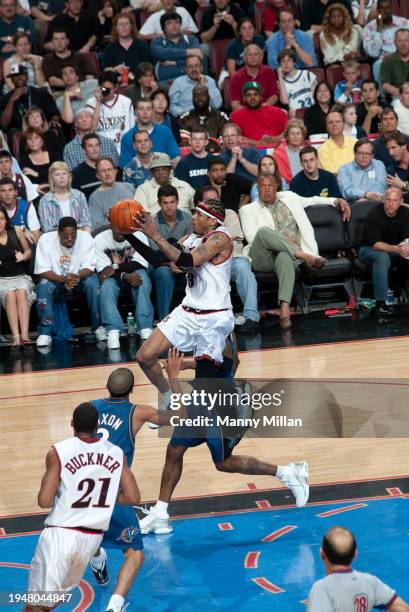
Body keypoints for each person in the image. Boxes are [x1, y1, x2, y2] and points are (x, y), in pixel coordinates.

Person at [138, 347, 309, 535]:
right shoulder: (219, 336)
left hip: (219, 410)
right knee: (175, 449)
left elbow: (181, 412)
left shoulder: (218, 332)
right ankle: (160, 514)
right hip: (203, 400)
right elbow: (229, 362)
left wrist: (173, 377)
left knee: (223, 462)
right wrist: (187, 363)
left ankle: (289, 473)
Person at [23, 401, 140, 612]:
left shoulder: (59, 451)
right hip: (91, 541)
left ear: (71, 424)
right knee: (45, 605)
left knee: (37, 605)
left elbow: (44, 501)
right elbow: (133, 497)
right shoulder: (116, 453)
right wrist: (103, 499)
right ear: (97, 426)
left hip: (60, 536)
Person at [89, 367, 183, 612]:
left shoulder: (89, 407)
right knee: (135, 553)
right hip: (115, 490)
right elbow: (179, 416)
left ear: (106, 387)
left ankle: (97, 557)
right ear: (132, 390)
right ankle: (115, 606)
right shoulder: (138, 412)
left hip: (84, 486)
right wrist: (173, 380)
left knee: (91, 527)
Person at [239, 174, 350, 329]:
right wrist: (289, 247)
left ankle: (284, 310)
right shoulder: (247, 210)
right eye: (262, 186)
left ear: (277, 186)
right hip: (263, 256)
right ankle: (303, 255)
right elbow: (252, 238)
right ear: (258, 189)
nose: (266, 189)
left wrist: (335, 200)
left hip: (286, 256)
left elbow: (313, 200)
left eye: (269, 185)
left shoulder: (289, 197)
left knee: (285, 256)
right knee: (263, 232)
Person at [195, 184, 260, 332]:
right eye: (209, 201)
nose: (214, 204)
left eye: (216, 199)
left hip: (233, 258)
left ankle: (251, 318)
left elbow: (233, 237)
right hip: (208, 263)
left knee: (244, 269)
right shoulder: (198, 218)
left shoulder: (229, 213)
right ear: (201, 203)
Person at [34, 216, 101, 347]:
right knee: (43, 287)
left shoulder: (86, 238)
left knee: (93, 283)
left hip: (79, 278)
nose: (70, 239)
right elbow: (43, 271)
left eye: (73, 236)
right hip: (56, 279)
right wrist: (63, 279)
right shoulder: (45, 240)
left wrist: (75, 277)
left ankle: (98, 327)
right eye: (66, 236)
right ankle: (45, 332)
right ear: (58, 232)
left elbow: (89, 268)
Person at [308, 526, 409, 611]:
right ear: (355, 554)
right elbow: (401, 607)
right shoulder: (370, 582)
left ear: (322, 554)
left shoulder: (321, 589)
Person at [96, 224, 153, 346]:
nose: (121, 230)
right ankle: (113, 329)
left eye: (124, 227)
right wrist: (124, 275)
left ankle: (144, 326)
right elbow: (105, 272)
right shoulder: (100, 239)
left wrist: (116, 269)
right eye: (118, 226)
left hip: (134, 274)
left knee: (142, 279)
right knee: (106, 286)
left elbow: (140, 264)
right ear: (111, 225)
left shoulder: (139, 236)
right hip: (114, 279)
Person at [358, 187, 409, 316]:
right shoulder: (374, 214)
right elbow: (375, 244)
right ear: (383, 200)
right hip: (368, 249)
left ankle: (400, 293)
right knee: (382, 257)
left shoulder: (405, 213)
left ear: (401, 201)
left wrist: (406, 247)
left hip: (395, 249)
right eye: (388, 200)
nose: (391, 204)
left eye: (395, 200)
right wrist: (397, 249)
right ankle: (381, 303)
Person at [0, 202, 35, 349]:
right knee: (10, 295)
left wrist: (23, 256)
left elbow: (28, 252)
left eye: (1, 218)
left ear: (6, 219)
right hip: (2, 279)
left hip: (20, 276)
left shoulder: (16, 230)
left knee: (21, 292)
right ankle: (16, 337)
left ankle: (25, 336)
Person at [119, 98, 180, 169]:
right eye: (141, 109)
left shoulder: (165, 131)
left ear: (153, 111)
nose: (145, 112)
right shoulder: (127, 137)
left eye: (148, 109)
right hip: (139, 178)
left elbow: (175, 158)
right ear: (135, 112)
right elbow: (125, 167)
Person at [0, 64, 60, 132]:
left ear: (27, 77)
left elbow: (55, 114)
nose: (18, 78)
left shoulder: (41, 93)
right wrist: (12, 100)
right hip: (20, 134)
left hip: (42, 129)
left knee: (56, 126)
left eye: (21, 75)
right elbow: (3, 125)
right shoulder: (5, 98)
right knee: (12, 131)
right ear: (12, 80)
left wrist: (54, 120)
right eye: (14, 76)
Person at [87, 70, 135, 153]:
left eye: (108, 89)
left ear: (116, 87)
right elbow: (91, 129)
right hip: (100, 150)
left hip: (123, 149)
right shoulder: (91, 103)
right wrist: (98, 102)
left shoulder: (126, 102)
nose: (105, 92)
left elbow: (131, 128)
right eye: (103, 89)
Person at [362, 0, 409, 85]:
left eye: (388, 8)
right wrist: (378, 30)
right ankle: (383, 98)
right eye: (382, 8)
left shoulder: (404, 23)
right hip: (384, 59)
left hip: (404, 56)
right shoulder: (369, 28)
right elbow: (373, 54)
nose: (385, 11)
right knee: (377, 66)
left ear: (391, 9)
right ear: (377, 10)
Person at [230, 81, 288, 147]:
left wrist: (274, 139)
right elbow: (234, 137)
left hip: (277, 149)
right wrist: (257, 143)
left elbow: (288, 131)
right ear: (244, 99)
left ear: (261, 97)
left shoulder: (277, 112)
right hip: (251, 152)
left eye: (255, 94)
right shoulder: (236, 116)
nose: (252, 97)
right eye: (249, 95)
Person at [39, 162, 91, 233]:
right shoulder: (45, 200)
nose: (61, 177)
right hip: (55, 239)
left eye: (64, 173)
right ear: (52, 178)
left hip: (80, 236)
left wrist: (85, 238)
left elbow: (86, 222)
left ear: (69, 176)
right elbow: (48, 228)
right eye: (57, 174)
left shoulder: (79, 196)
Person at [151, 11, 202, 82]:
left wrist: (175, 63)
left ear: (180, 25)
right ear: (164, 28)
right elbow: (163, 54)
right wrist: (188, 52)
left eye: (176, 22)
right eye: (169, 23)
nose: (174, 25)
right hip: (166, 82)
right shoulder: (157, 42)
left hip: (190, 80)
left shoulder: (191, 39)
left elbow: (195, 60)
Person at [63, 107, 119, 171]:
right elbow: (71, 174)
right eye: (80, 117)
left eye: (87, 117)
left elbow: (116, 167)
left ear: (92, 121)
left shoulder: (108, 143)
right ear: (76, 123)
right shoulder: (69, 148)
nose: (84, 119)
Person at [42, 28, 97, 92]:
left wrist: (78, 87)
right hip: (60, 93)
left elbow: (90, 77)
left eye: (62, 39)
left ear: (67, 41)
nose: (59, 42)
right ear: (52, 42)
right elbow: (53, 81)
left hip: (83, 90)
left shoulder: (81, 57)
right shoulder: (47, 59)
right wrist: (73, 85)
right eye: (56, 39)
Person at [101, 11, 152, 77]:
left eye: (127, 23)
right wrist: (115, 69)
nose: (123, 26)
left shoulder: (142, 45)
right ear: (116, 28)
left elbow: (149, 67)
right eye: (120, 24)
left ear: (131, 27)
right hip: (118, 83)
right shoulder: (109, 48)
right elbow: (106, 71)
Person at [89, 157, 134, 231]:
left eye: (109, 169)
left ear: (115, 171)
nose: (107, 173)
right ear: (97, 175)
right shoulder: (94, 198)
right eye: (103, 171)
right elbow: (97, 225)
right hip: (111, 234)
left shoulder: (128, 186)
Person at [230, 43, 279, 111]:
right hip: (245, 113)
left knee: (284, 112)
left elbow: (274, 96)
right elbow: (235, 104)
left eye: (256, 54)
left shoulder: (269, 72)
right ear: (244, 58)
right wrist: (251, 113)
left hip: (266, 109)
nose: (253, 57)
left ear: (261, 57)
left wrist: (262, 108)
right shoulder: (236, 77)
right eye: (250, 54)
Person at [338, 138, 387, 203]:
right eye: (360, 153)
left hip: (376, 203)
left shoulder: (379, 165)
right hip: (354, 206)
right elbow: (347, 191)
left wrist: (366, 199)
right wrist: (365, 194)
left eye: (367, 153)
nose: (364, 156)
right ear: (355, 154)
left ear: (372, 155)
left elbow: (381, 186)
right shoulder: (344, 169)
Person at [0, 176, 41, 244]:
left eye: (10, 190)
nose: (7, 194)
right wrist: (22, 232)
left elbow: (36, 237)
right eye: (3, 191)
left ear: (16, 192)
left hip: (26, 246)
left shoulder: (27, 206)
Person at [277, 49, 317, 117]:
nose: (286, 64)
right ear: (280, 65)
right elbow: (285, 101)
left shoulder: (307, 74)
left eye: (289, 60)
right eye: (283, 61)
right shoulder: (280, 82)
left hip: (312, 109)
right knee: (292, 112)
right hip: (295, 113)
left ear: (294, 62)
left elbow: (316, 96)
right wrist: (280, 77)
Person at [20, 128, 58, 197]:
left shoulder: (54, 156)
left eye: (36, 138)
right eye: (29, 139)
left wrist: (37, 174)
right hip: (37, 194)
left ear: (42, 141)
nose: (33, 141)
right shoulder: (24, 161)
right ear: (26, 143)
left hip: (57, 190)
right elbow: (27, 183)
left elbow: (59, 173)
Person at [274, 119, 308, 185]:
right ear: (287, 137)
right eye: (292, 133)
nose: (295, 136)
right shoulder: (278, 155)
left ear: (302, 136)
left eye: (298, 133)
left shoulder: (308, 153)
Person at [71, 133, 103, 200]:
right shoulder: (76, 174)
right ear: (83, 150)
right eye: (90, 146)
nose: (94, 149)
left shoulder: (109, 168)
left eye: (97, 145)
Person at [380, 28, 409, 100]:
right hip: (397, 97)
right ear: (395, 43)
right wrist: (403, 94)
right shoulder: (388, 60)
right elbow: (385, 85)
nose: (403, 44)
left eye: (406, 40)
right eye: (400, 41)